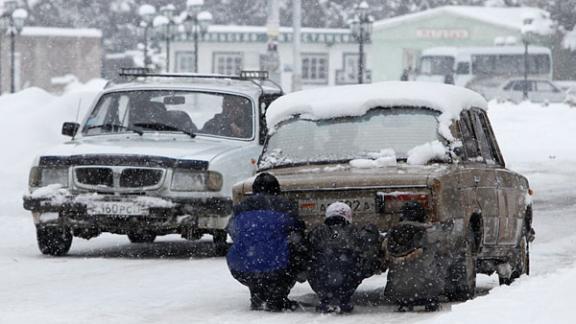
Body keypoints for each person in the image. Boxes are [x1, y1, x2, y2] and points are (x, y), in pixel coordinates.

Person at [226, 173, 306, 312]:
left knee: (253, 253)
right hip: (278, 267)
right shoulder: (285, 206)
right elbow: (299, 231)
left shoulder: (240, 207)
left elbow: (232, 231)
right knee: (296, 250)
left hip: (241, 267)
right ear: (276, 189)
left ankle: (257, 293)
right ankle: (278, 296)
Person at [306, 202, 383, 314]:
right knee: (357, 261)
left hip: (321, 281)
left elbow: (306, 252)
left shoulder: (316, 232)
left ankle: (326, 298)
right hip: (346, 281)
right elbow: (367, 249)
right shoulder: (354, 231)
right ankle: (343, 298)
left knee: (314, 261)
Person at [384, 201, 447, 312]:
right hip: (426, 291)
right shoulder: (429, 231)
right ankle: (431, 300)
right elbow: (443, 248)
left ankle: (404, 302)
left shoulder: (393, 232)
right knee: (441, 258)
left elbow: (385, 251)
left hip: (397, 291)